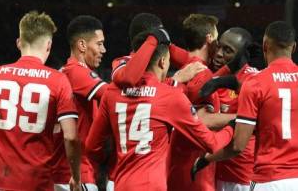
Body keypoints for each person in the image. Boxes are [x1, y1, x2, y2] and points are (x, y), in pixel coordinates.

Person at [85, 32, 235, 191]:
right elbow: (212, 143)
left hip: (120, 184)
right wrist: (232, 126)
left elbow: (92, 147)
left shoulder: (112, 92)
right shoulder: (170, 96)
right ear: (163, 62)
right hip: (152, 186)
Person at [192, 21, 298, 191]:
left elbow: (237, 146)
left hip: (266, 178)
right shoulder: (252, 81)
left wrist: (207, 159)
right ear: (293, 48)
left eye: (227, 50)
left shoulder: (256, 83)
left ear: (265, 45)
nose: (219, 54)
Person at [0, 11, 81, 191]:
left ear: (19, 42)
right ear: (49, 45)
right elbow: (70, 136)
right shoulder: (58, 81)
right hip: (37, 183)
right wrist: (76, 176)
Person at [167, 14, 237, 191]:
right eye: (217, 39)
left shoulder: (186, 69)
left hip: (178, 162)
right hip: (194, 169)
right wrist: (241, 119)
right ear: (209, 38)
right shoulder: (202, 74)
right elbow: (202, 119)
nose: (219, 48)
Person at [53, 15, 108, 191]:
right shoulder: (76, 72)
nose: (104, 49)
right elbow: (115, 96)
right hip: (75, 177)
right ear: (82, 45)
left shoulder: (63, 73)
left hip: (62, 173)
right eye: (99, 44)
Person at [203, 27, 259, 191]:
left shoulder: (252, 81)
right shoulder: (214, 77)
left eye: (227, 50)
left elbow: (206, 121)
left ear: (243, 54)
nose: (219, 54)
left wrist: (245, 119)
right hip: (217, 172)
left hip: (241, 177)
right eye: (219, 47)